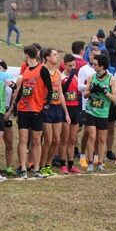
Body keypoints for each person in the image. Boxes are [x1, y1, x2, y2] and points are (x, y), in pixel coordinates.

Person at [11, 44, 54, 178]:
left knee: (36, 139)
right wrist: (15, 104)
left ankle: (36, 169)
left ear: (27, 55)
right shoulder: (26, 71)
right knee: (23, 139)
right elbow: (23, 90)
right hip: (24, 109)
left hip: (36, 109)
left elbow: (50, 89)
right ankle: (23, 168)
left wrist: (45, 104)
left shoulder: (42, 70)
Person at [37, 48, 70, 176]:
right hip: (46, 107)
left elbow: (60, 93)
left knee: (57, 139)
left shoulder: (57, 72)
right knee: (48, 139)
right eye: (55, 55)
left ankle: (48, 165)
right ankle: (40, 165)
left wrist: (66, 112)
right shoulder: (42, 71)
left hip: (57, 108)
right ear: (47, 57)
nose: (57, 57)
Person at [83, 54, 116, 172]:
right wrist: (91, 90)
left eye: (95, 64)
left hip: (103, 113)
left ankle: (100, 162)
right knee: (92, 136)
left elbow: (114, 99)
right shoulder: (91, 77)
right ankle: (90, 162)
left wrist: (105, 92)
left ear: (102, 66)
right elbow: (85, 94)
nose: (93, 66)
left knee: (102, 139)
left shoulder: (111, 79)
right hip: (91, 110)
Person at [59, 54, 83, 174]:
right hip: (65, 109)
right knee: (64, 138)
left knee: (72, 139)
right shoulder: (62, 77)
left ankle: (71, 164)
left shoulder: (75, 77)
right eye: (69, 65)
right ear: (64, 64)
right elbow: (62, 91)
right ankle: (62, 163)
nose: (72, 67)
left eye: (73, 65)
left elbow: (78, 92)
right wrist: (70, 77)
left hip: (75, 108)